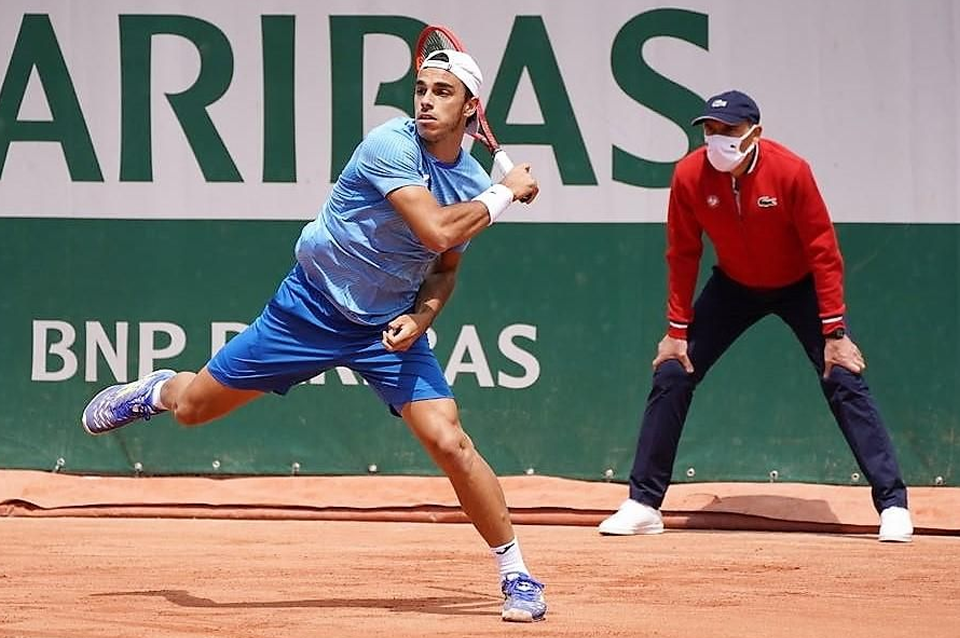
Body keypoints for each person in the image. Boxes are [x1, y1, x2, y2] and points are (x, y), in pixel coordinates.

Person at [81, 49, 547, 621]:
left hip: (384, 328)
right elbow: (435, 230)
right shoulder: (390, 144)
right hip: (309, 309)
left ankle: (517, 574)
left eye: (442, 92)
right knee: (193, 410)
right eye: (421, 88)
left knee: (450, 442)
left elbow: (444, 267)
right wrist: (506, 193)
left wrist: (422, 318)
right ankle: (158, 390)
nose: (426, 100)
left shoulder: (470, 184)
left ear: (471, 108)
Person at [598, 90, 913, 543]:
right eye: (710, 130)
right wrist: (676, 330)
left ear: (755, 133)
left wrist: (835, 332)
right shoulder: (689, 175)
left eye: (728, 130)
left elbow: (824, 253)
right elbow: (683, 252)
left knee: (842, 374)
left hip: (799, 285)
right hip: (733, 286)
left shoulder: (791, 172)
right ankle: (643, 504)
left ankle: (893, 504)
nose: (717, 139)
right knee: (672, 371)